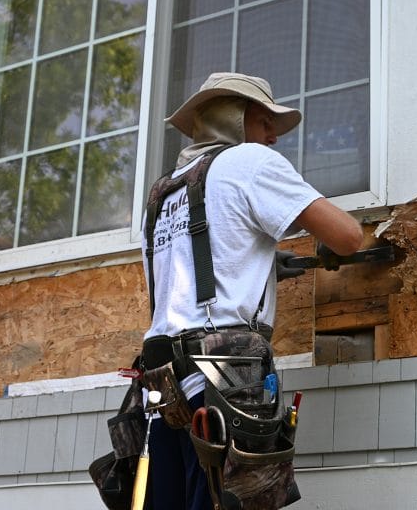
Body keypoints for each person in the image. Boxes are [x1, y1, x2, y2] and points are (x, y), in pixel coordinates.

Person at [140, 72, 363, 509]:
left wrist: (262, 264)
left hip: (161, 386)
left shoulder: (165, 191)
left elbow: (199, 264)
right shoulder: (249, 162)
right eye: (265, 124)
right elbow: (348, 238)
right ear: (236, 120)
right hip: (224, 382)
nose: (273, 140)